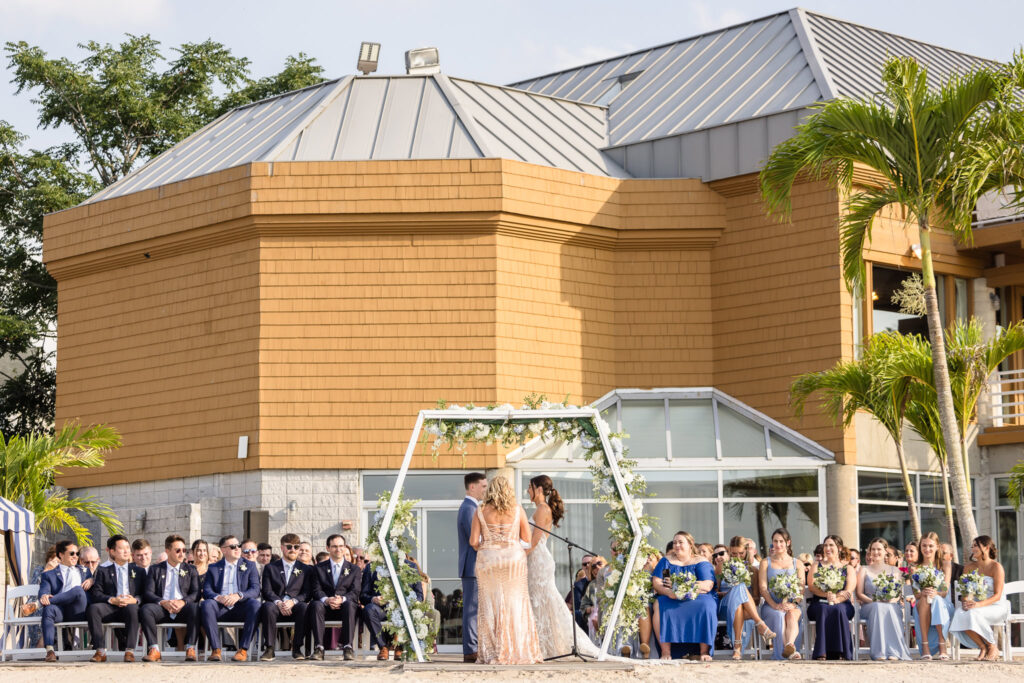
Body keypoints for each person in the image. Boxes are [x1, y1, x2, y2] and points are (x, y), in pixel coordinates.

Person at [524, 474, 604, 659]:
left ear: (538, 489)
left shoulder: (543, 509)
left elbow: (534, 542)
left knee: (543, 603)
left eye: (529, 487)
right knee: (539, 604)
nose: (527, 490)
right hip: (535, 560)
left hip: (538, 561)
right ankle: (540, 645)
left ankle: (546, 646)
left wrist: (520, 556)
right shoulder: (540, 508)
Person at [469, 474, 542, 664]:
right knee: (515, 604)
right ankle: (515, 649)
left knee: (490, 605)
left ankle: (492, 651)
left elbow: (473, 541)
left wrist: (487, 547)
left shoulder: (481, 509)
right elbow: (526, 539)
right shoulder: (517, 510)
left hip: (488, 561)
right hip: (513, 560)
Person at [651, 530, 716, 661]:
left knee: (707, 605)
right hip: (672, 597)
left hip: (697, 597)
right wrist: (670, 592)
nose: (677, 545)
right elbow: (658, 582)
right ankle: (665, 652)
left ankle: (704, 651)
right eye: (675, 542)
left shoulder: (700, 561)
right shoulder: (666, 562)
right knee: (659, 604)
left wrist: (685, 587)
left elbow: (707, 584)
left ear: (690, 545)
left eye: (681, 542)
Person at [199, 534, 261, 662]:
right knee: (206, 605)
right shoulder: (213, 567)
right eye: (233, 547)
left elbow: (255, 590)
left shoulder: (249, 566)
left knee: (255, 605)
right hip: (221, 607)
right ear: (223, 550)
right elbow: (207, 590)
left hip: (241, 607)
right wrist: (218, 597)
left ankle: (243, 650)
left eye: (239, 546)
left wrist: (239, 595)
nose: (238, 549)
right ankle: (216, 649)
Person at [949, 535, 1011, 660]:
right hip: (976, 606)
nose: (972, 549)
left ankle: (992, 646)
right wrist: (966, 600)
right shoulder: (968, 567)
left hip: (996, 606)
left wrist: (977, 605)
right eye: (972, 546)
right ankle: (982, 646)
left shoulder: (996, 567)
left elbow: (998, 595)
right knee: (959, 613)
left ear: (987, 548)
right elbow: (965, 591)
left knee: (972, 613)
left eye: (976, 546)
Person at [140, 534, 201, 662]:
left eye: (184, 550)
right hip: (162, 608)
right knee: (146, 609)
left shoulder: (191, 569)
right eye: (178, 550)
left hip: (182, 608)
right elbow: (148, 593)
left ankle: (190, 648)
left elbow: (196, 593)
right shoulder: (155, 569)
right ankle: (154, 649)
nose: (182, 553)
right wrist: (163, 602)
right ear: (167, 551)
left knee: (195, 608)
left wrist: (182, 602)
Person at [86, 534, 146, 662]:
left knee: (132, 608)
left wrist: (135, 600)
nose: (126, 551)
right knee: (93, 609)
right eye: (121, 548)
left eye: (127, 548)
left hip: (130, 607)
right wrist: (112, 599)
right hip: (111, 607)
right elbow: (96, 593)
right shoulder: (103, 570)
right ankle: (100, 651)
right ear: (112, 551)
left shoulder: (139, 571)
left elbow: (145, 593)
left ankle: (129, 651)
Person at [258, 533, 314, 661]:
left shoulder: (306, 569)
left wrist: (293, 601)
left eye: (296, 547)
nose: (293, 550)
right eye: (289, 547)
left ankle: (297, 648)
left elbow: (307, 592)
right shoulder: (271, 568)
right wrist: (279, 602)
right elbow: (267, 590)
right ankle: (270, 649)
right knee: (267, 607)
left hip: (295, 605)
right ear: (282, 548)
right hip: (276, 605)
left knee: (304, 607)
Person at [718, 535, 774, 659]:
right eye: (733, 554)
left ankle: (737, 647)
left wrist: (740, 599)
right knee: (739, 588)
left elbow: (757, 599)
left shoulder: (753, 570)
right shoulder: (721, 567)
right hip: (724, 607)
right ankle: (760, 624)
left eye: (741, 553)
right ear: (729, 551)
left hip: (746, 610)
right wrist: (730, 593)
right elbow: (715, 593)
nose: (737, 557)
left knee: (739, 594)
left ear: (746, 551)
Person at [856, 538, 911, 661]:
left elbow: (897, 594)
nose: (876, 552)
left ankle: (893, 651)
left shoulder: (895, 570)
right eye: (873, 549)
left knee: (889, 607)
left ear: (885, 551)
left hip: (890, 603)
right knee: (878, 607)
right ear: (869, 552)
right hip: (870, 605)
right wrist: (875, 601)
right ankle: (879, 652)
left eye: (879, 549)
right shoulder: (864, 569)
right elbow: (859, 594)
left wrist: (890, 600)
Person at [308, 534, 361, 661]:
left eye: (341, 546)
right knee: (315, 605)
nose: (338, 549)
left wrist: (341, 599)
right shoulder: (318, 568)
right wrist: (327, 599)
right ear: (328, 548)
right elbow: (316, 590)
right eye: (334, 546)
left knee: (350, 604)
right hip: (325, 608)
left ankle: (348, 647)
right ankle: (319, 647)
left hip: (345, 608)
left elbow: (355, 591)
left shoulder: (354, 569)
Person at [38, 540, 94, 662]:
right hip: (60, 611)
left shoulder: (85, 571)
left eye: (77, 554)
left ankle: (38, 605)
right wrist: (43, 597)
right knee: (48, 609)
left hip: (78, 611)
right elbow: (43, 591)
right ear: (61, 555)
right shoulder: (49, 575)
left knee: (78, 590)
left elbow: (98, 585)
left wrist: (92, 580)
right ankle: (50, 651)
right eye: (72, 553)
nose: (76, 556)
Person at [807, 534, 855, 660]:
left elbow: (849, 590)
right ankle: (821, 652)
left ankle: (842, 652)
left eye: (831, 545)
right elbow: (812, 586)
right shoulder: (816, 566)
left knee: (838, 609)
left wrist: (836, 599)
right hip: (819, 603)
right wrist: (826, 595)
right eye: (825, 545)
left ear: (839, 548)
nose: (827, 548)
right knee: (824, 609)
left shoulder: (848, 568)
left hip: (843, 603)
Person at [758, 528, 804, 660]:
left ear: (788, 542)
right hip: (771, 606)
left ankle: (789, 645)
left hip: (792, 604)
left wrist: (793, 603)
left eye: (781, 541)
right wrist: (774, 605)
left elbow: (801, 589)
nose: (778, 545)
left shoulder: (798, 563)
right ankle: (786, 652)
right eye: (775, 541)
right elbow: (763, 587)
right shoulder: (765, 562)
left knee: (792, 614)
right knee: (779, 614)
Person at [457, 471, 487, 663]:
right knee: (471, 609)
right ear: (473, 487)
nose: (485, 490)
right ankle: (470, 650)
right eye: (483, 486)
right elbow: (476, 539)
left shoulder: (473, 507)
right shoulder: (469, 508)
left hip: (475, 565)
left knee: (475, 608)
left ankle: (474, 647)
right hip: (472, 566)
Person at [914, 531, 953, 660]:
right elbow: (916, 594)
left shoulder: (945, 565)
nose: (927, 549)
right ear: (920, 547)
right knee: (925, 599)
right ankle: (925, 646)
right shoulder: (915, 567)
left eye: (931, 546)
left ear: (937, 546)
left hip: (942, 602)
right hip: (922, 604)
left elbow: (945, 591)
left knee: (935, 599)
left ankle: (943, 645)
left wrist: (936, 593)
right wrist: (922, 593)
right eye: (924, 546)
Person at [572, 554, 594, 630]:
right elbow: (578, 607)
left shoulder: (601, 580)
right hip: (586, 622)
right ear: (582, 567)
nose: (587, 565)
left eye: (589, 563)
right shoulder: (578, 585)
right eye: (584, 564)